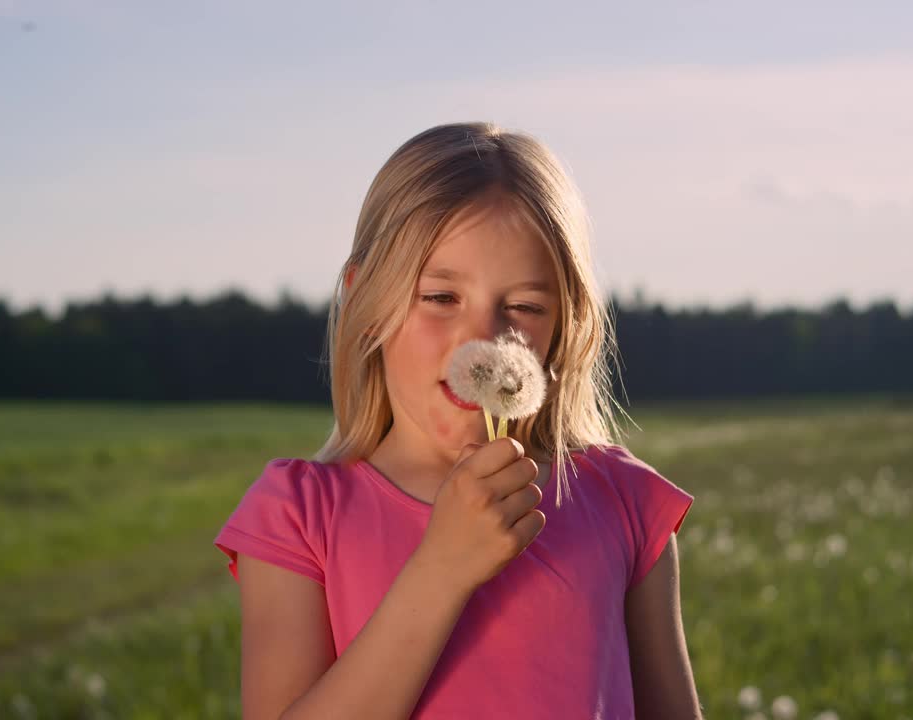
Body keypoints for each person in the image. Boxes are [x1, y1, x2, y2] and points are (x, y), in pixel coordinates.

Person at [214, 122, 702, 719]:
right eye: (441, 298)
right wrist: (441, 572)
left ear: (565, 324)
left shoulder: (624, 502)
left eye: (524, 307)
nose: (484, 337)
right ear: (366, 301)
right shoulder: (298, 514)